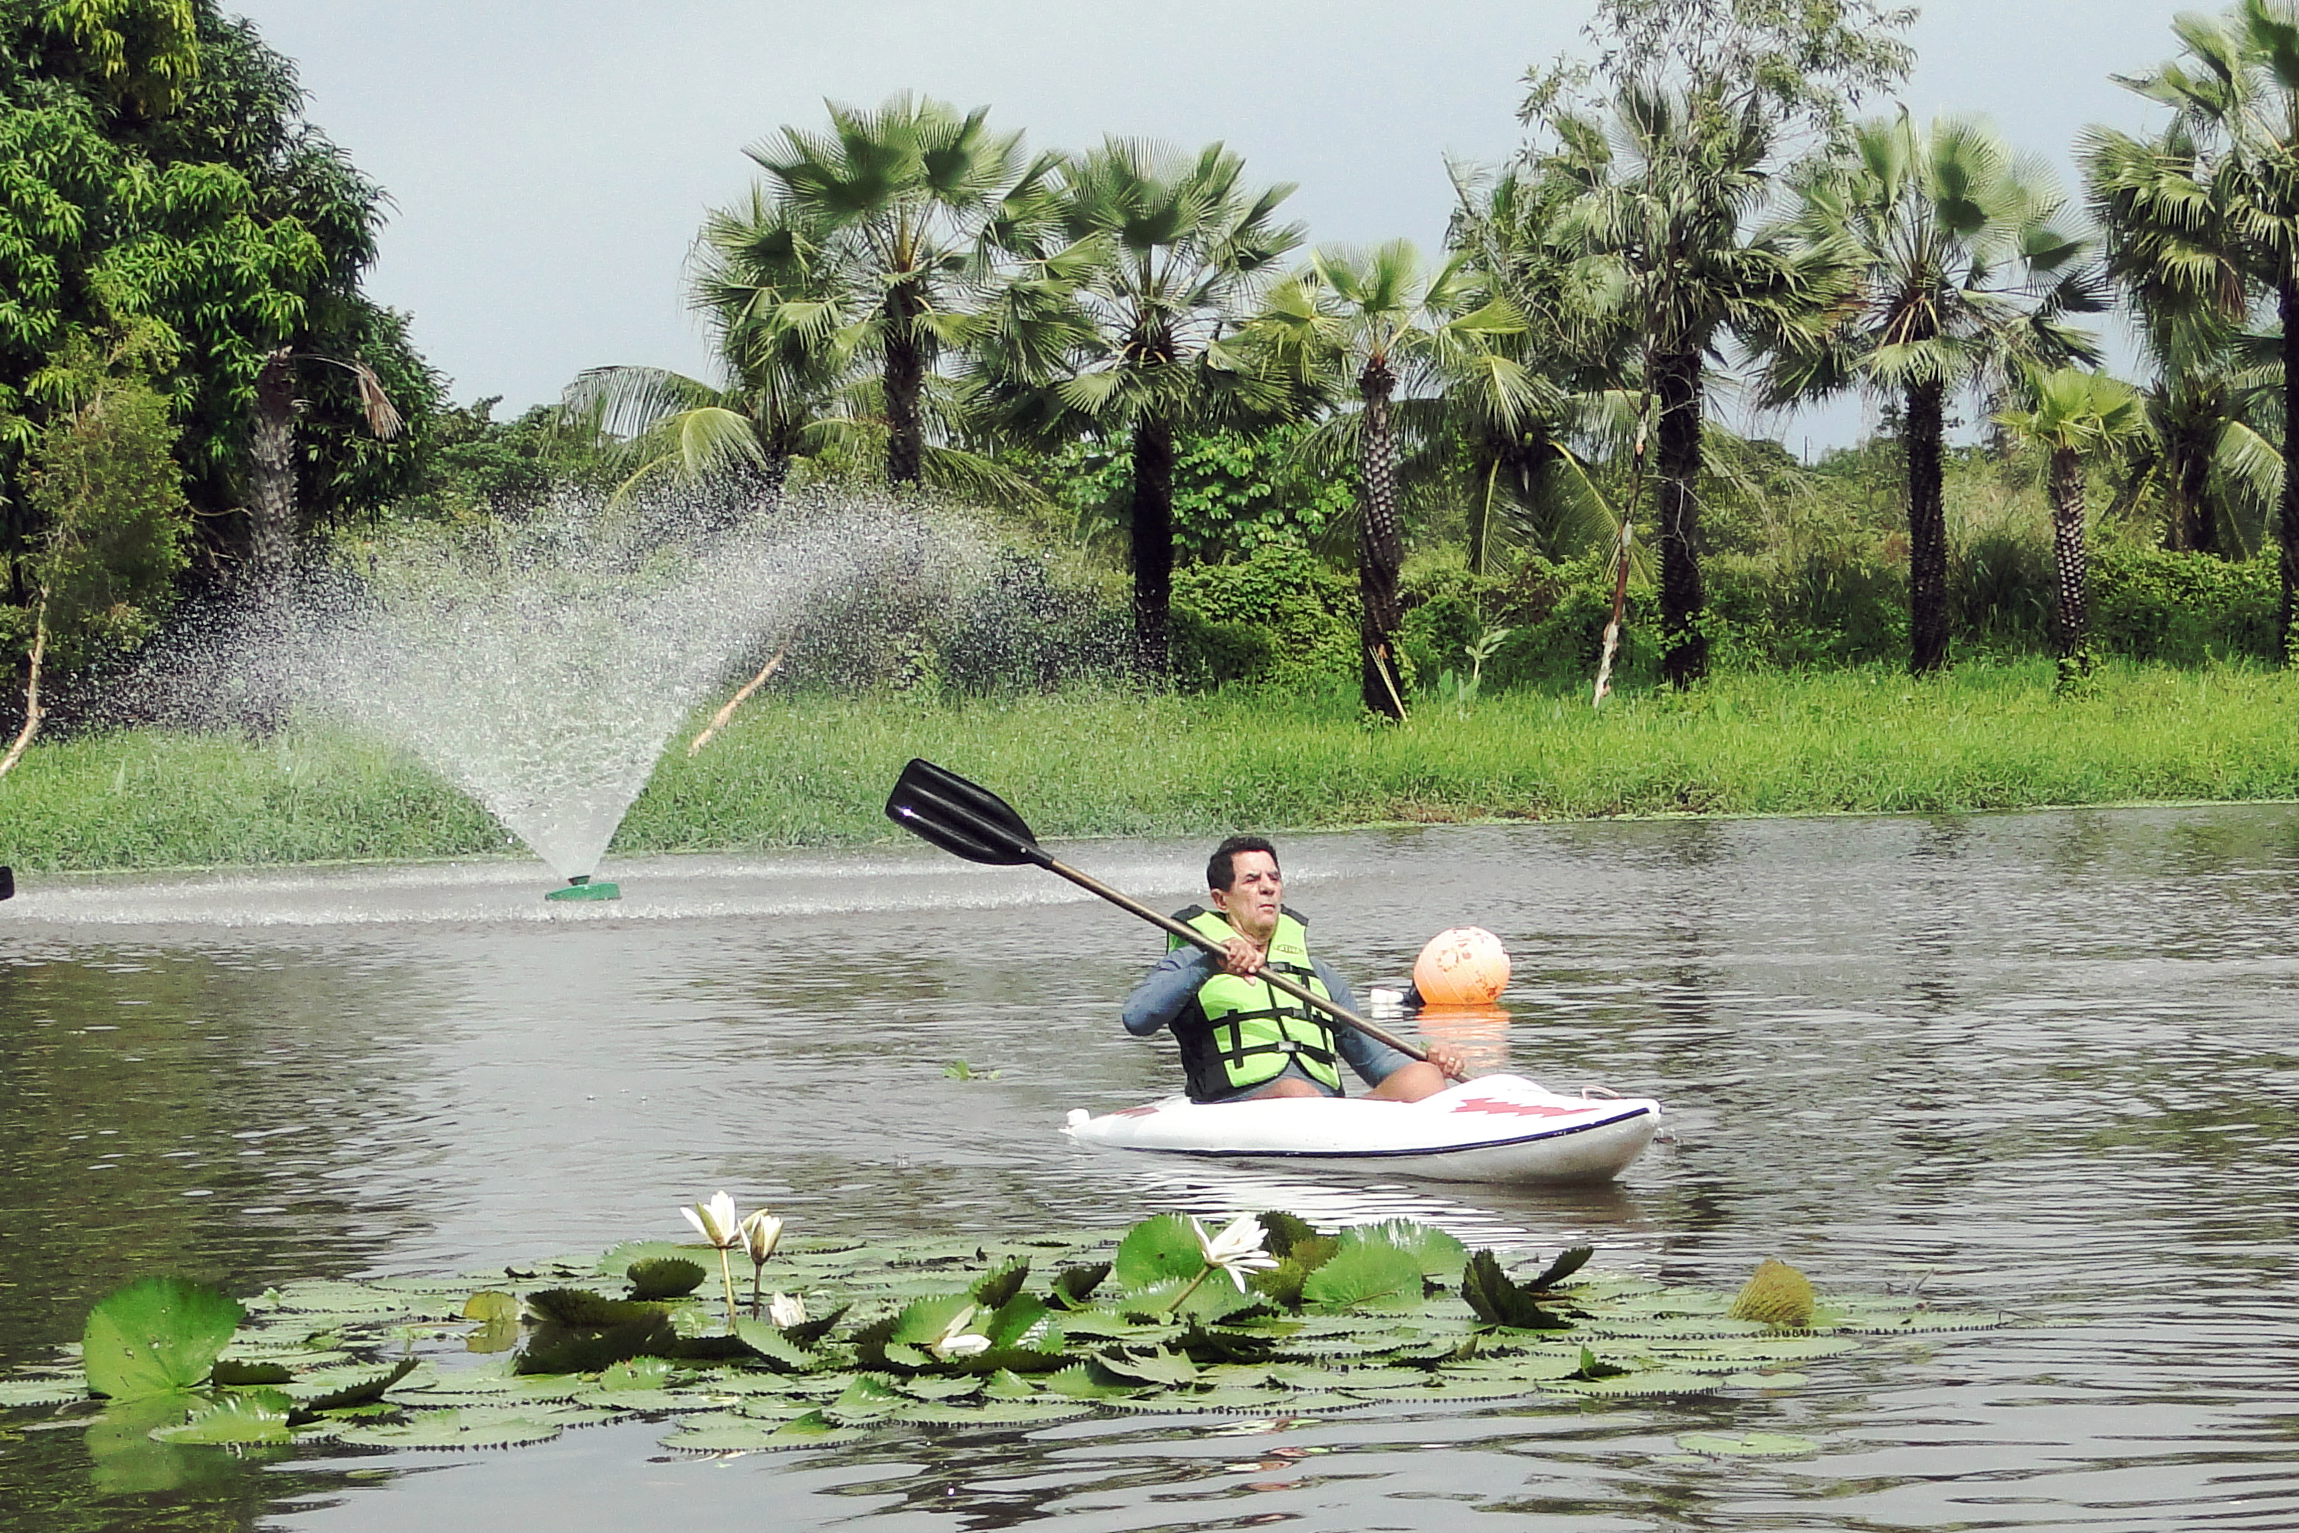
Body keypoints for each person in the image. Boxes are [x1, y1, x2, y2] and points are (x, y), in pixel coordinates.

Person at [1121, 834, 1467, 1103]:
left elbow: (1374, 1061)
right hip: (1238, 1107)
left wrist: (1429, 1059)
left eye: (1273, 877)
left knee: (1422, 1078)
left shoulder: (1318, 974)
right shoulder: (1194, 958)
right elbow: (1137, 1019)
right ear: (1220, 899)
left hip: (1318, 1109)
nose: (1268, 887)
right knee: (1296, 1093)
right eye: (1251, 880)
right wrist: (1209, 964)